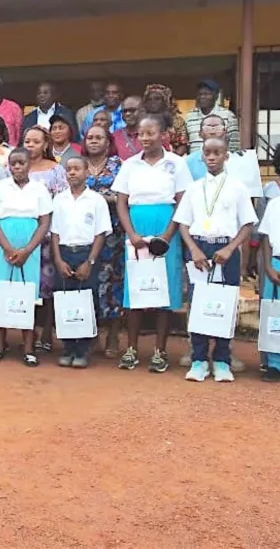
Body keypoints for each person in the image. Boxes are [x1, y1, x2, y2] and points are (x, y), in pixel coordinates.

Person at [113, 114, 192, 373]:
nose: (145, 138)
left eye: (150, 133)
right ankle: (132, 348)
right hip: (137, 225)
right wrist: (131, 234)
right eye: (141, 134)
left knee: (164, 288)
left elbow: (182, 202)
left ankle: (160, 350)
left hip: (166, 224)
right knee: (135, 287)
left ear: (163, 135)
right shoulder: (130, 165)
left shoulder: (177, 164)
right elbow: (122, 203)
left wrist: (168, 235)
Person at [175, 137, 256, 382]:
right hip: (199, 249)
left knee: (224, 304)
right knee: (198, 304)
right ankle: (199, 359)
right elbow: (183, 224)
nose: (211, 157)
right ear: (202, 156)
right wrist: (194, 250)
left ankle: (222, 360)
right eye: (207, 153)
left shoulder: (238, 187)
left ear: (226, 156)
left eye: (217, 153)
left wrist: (231, 249)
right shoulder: (194, 188)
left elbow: (247, 224)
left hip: (225, 250)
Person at [0, 148, 52, 365]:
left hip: (29, 245)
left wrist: (27, 250)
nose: (17, 167)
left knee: (27, 294)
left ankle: (29, 347)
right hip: (2, 243)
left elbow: (44, 223)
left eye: (21, 163)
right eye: (13, 163)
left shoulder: (39, 189)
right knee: (0, 293)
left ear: (29, 164)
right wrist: (7, 247)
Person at [51, 157, 112, 368]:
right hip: (64, 253)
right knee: (64, 299)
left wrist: (90, 261)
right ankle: (67, 347)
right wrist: (58, 260)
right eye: (69, 169)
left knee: (86, 299)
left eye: (77, 168)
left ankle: (83, 350)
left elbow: (100, 234)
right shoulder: (59, 200)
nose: (72, 173)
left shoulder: (96, 200)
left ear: (87, 172)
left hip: (86, 253)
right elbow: (55, 233)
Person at [24, 126, 68, 355]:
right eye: (27, 141)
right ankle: (27, 332)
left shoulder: (56, 170)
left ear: (45, 144)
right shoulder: (14, 167)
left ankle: (47, 332)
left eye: (35, 141)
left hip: (48, 235)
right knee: (26, 285)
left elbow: (61, 204)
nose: (30, 145)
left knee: (47, 286)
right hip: (21, 234)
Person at [83, 125, 125, 358]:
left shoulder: (118, 165)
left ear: (108, 142)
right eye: (90, 137)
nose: (94, 141)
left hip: (112, 235)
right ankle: (91, 334)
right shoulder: (78, 165)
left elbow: (123, 195)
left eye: (99, 138)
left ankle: (113, 334)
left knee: (112, 284)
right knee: (89, 283)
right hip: (84, 234)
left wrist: (100, 198)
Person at [258, 191, 280, 381]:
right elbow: (265, 238)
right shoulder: (274, 204)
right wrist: (267, 266)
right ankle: (274, 363)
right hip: (276, 265)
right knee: (275, 315)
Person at [185, 79, 240, 153]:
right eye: (200, 94)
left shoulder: (228, 115)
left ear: (216, 96)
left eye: (206, 94)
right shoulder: (190, 117)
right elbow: (186, 144)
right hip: (195, 162)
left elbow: (234, 145)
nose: (202, 97)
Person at [143, 83, 189, 155]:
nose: (153, 102)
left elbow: (183, 145)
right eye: (149, 99)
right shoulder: (142, 122)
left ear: (164, 101)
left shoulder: (177, 121)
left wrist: (170, 159)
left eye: (157, 99)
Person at [112, 96, 145, 161]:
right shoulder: (114, 136)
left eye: (132, 110)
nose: (128, 114)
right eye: (124, 111)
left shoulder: (153, 135)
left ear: (143, 111)